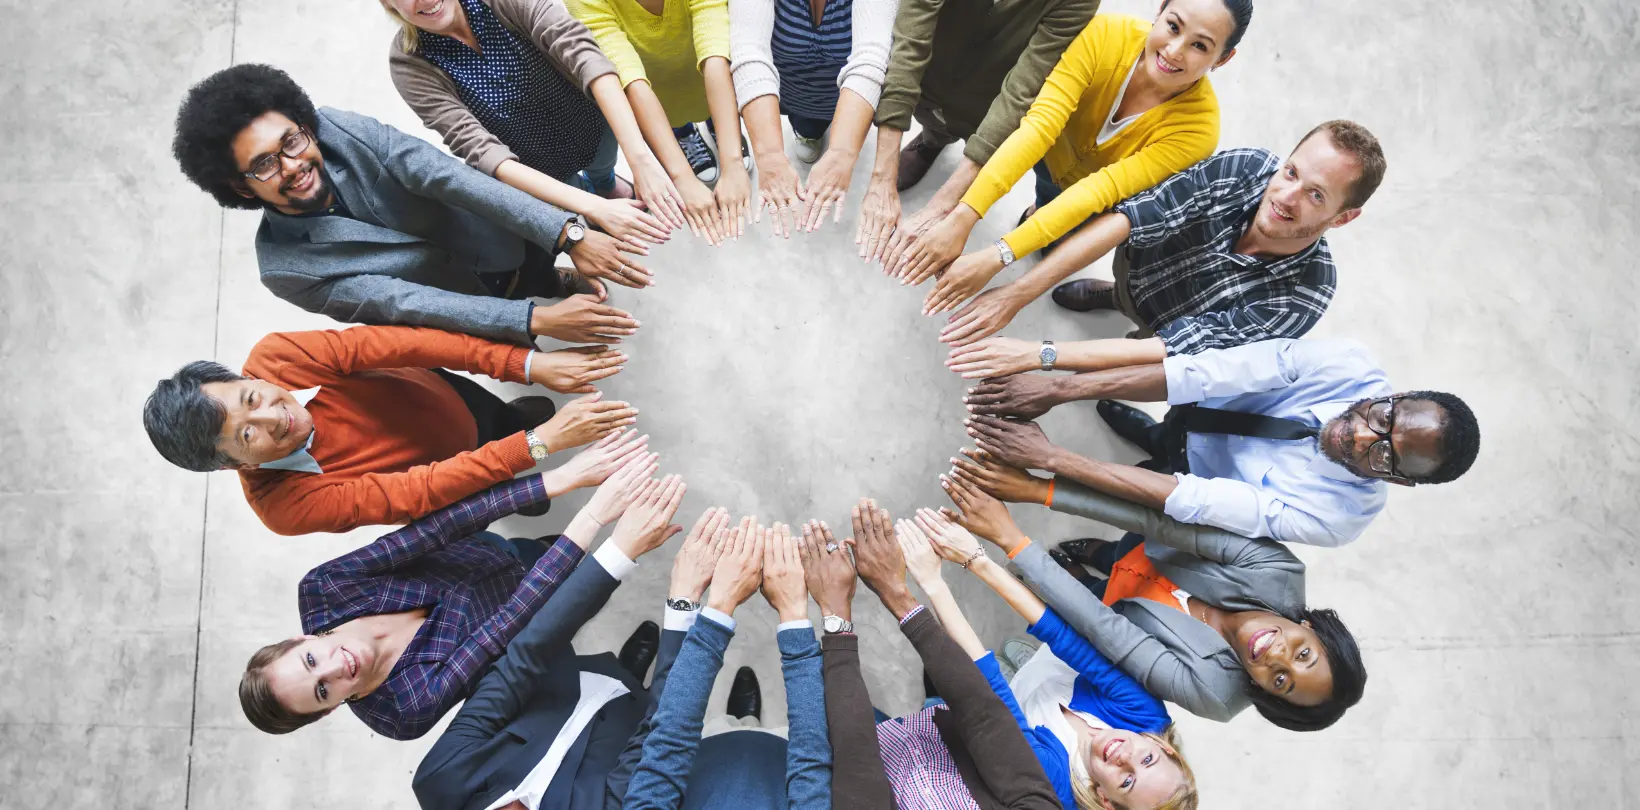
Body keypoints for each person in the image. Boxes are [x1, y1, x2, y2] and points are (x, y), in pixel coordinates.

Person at [171, 63, 652, 346]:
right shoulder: (286, 269)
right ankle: (541, 289)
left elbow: (448, 177)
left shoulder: (340, 129)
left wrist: (565, 233)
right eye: (264, 166)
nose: (292, 166)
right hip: (465, 303)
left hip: (494, 232)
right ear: (240, 188)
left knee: (535, 269)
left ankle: (554, 277)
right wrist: (532, 321)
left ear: (306, 128)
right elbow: (405, 303)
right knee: (516, 292)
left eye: (292, 142)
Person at [235, 454, 668, 741]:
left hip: (490, 553)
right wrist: (593, 517)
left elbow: (439, 529)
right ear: (329, 710)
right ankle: (622, 672)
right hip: (523, 614)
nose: (334, 667)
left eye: (311, 660)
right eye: (323, 690)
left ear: (299, 640)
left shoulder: (325, 589)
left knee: (552, 548)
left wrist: (560, 479)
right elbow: (504, 630)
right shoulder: (402, 711)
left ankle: (561, 552)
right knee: (573, 594)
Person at [807, 500, 1194, 810]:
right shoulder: (1147, 716)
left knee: (931, 699)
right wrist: (977, 558)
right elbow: (1064, 636)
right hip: (1033, 684)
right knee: (1010, 659)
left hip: (989, 727)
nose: (1125, 757)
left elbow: (989, 696)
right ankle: (996, 668)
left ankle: (933, 694)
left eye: (1126, 782)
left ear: (1106, 802)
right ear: (1162, 746)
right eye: (1147, 760)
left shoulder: (1057, 786)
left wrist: (931, 581)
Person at [938, 465, 1366, 732]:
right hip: (1151, 547)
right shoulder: (1278, 573)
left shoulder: (1214, 694)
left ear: (1264, 693)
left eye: (1280, 682)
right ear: (1313, 628)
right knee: (1117, 549)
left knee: (1085, 594)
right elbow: (1160, 524)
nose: (1277, 658)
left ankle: (1073, 566)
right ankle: (1093, 552)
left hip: (1120, 609)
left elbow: (1110, 632)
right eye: (1304, 654)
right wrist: (1040, 490)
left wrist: (1011, 540)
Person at [963, 337, 1482, 547]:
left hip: (1196, 478)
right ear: (1400, 393)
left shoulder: (1340, 519)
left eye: (1386, 452)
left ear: (1399, 481)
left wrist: (1051, 458)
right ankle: (1150, 430)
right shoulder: (1347, 365)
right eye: (1386, 414)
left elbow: (1196, 500)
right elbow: (1203, 375)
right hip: (1202, 408)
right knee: (1165, 427)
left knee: (1159, 477)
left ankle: (1155, 444)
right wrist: (1058, 387)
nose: (1363, 432)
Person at [910, 1, 1253, 318]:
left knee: (1055, 228)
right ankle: (934, 143)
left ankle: (1039, 219)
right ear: (1160, 10)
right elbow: (1039, 128)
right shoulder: (1107, 34)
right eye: (1174, 27)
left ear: (1223, 59)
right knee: (1018, 156)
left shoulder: (1198, 130)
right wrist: (962, 216)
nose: (1174, 51)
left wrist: (1000, 253)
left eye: (1200, 46)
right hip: (1047, 149)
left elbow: (1100, 190)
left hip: (1092, 195)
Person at [142, 325, 640, 536]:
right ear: (236, 465)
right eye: (248, 436)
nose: (275, 416)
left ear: (244, 378)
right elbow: (414, 492)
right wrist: (539, 445)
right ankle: (521, 480)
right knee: (507, 483)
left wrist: (522, 363)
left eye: (252, 397)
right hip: (443, 478)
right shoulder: (283, 507)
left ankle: (513, 423)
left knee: (503, 417)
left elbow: (403, 345)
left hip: (435, 395)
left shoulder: (277, 355)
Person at [940, 120, 1387, 351]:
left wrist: (1045, 359)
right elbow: (1136, 217)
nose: (1285, 197)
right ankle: (1115, 296)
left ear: (1342, 218)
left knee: (1145, 344)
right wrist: (1016, 292)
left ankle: (1123, 307)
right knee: (1123, 289)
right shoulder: (1248, 167)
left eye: (1314, 195)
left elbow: (1178, 355)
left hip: (1163, 330)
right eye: (1291, 172)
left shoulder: (1305, 294)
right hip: (1137, 261)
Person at [411, 494, 720, 810]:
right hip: (632, 720)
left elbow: (527, 655)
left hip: (572, 677)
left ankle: (628, 665)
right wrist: (685, 602)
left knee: (622, 667)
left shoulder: (442, 779)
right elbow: (657, 737)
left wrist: (618, 551)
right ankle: (632, 675)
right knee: (645, 694)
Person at [382, 0, 688, 244]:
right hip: (531, 166)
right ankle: (593, 195)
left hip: (587, 121)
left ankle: (605, 183)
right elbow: (480, 150)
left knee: (603, 164)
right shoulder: (409, 64)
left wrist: (641, 161)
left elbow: (582, 52)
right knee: (570, 196)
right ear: (389, 4)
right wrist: (592, 208)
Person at [852, 0, 1098, 263]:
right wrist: (883, 171)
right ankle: (931, 142)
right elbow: (912, 33)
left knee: (980, 129)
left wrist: (944, 206)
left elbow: (1021, 89)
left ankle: (940, 141)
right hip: (932, 75)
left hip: (987, 101)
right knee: (933, 124)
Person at [621, 520, 832, 809]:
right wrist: (794, 616)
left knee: (717, 730)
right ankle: (748, 721)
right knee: (756, 733)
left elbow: (666, 753)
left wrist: (719, 609)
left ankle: (741, 720)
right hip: (778, 764)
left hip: (706, 760)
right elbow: (811, 766)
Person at [565, 0, 752, 245]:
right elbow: (629, 76)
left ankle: (721, 129)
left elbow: (714, 40)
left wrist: (732, 160)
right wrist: (681, 177)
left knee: (713, 105)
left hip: (705, 71)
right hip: (653, 89)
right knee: (673, 120)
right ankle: (686, 135)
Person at [729, 0, 896, 236]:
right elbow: (750, 52)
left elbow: (871, 56)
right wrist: (769, 154)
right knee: (807, 127)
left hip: (848, 100)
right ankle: (809, 134)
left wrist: (841, 152)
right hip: (792, 93)